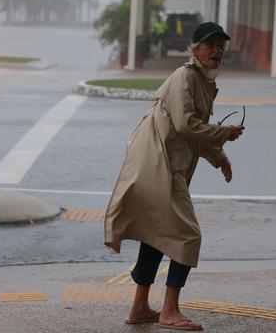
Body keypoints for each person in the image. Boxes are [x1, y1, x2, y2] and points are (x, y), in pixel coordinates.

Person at [104, 21, 244, 331]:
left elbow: (192, 131)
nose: (216, 51)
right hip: (158, 166)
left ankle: (139, 307)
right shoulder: (185, 77)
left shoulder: (201, 81)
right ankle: (169, 311)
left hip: (162, 164)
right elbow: (185, 125)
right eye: (210, 45)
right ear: (195, 49)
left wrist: (219, 156)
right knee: (187, 235)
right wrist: (224, 134)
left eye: (221, 46)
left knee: (158, 234)